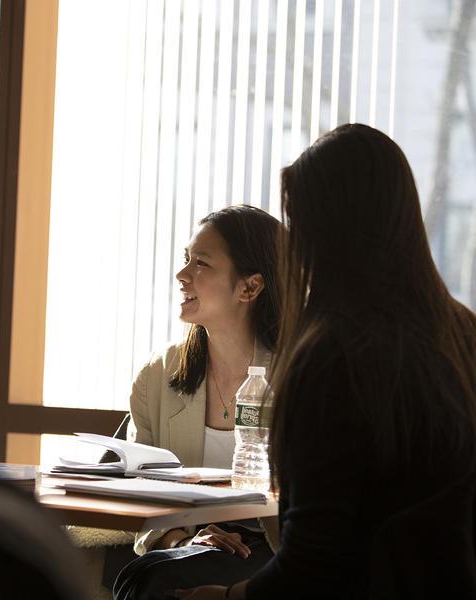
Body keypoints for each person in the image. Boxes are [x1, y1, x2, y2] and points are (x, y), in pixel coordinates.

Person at [175, 124, 476, 599]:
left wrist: (228, 598)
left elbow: (315, 562)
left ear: (327, 231)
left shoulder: (333, 356)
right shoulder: (462, 333)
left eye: (297, 224)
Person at [113, 205, 283, 599]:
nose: (182, 275)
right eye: (185, 259)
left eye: (201, 263)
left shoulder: (301, 373)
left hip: (275, 546)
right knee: (153, 574)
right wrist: (177, 539)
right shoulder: (158, 374)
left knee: (154, 580)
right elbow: (142, 487)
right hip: (189, 543)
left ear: (250, 288)